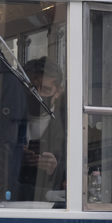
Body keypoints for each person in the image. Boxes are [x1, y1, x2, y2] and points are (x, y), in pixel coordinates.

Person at [16, 57, 66, 201]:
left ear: (58, 92)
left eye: (45, 90)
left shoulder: (69, 126)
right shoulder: (7, 119)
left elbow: (82, 169)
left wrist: (56, 168)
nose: (37, 94)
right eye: (31, 88)